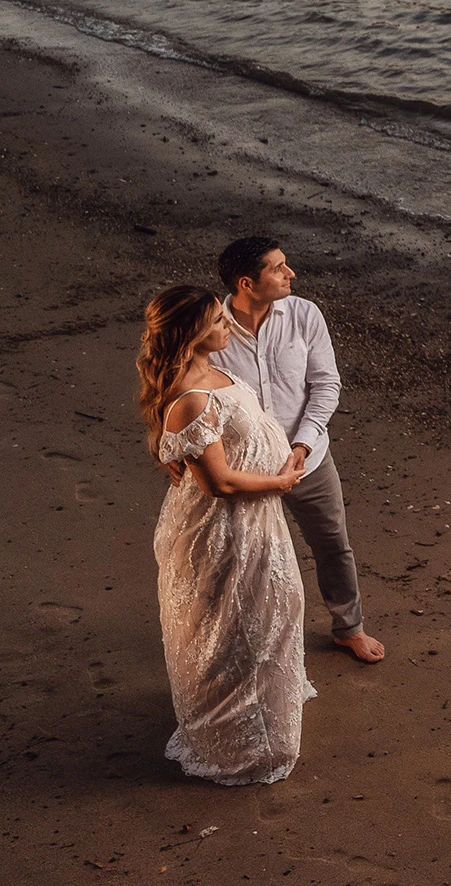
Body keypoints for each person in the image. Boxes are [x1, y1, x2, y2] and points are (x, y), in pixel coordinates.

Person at [138, 284, 313, 786]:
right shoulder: (190, 398)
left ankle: (264, 708)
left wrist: (287, 455)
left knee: (274, 609)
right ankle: (241, 740)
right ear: (193, 334)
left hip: (257, 519)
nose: (227, 326)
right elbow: (220, 483)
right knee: (240, 623)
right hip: (228, 530)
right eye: (217, 321)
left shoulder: (207, 369)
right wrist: (280, 482)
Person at [214, 236, 385, 663]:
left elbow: (326, 385)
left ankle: (349, 628)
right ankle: (249, 639)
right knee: (244, 557)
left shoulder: (305, 314)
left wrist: (303, 444)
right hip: (245, 468)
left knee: (332, 543)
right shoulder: (212, 329)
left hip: (307, 458)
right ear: (246, 283)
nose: (291, 274)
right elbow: (199, 395)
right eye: (278, 268)